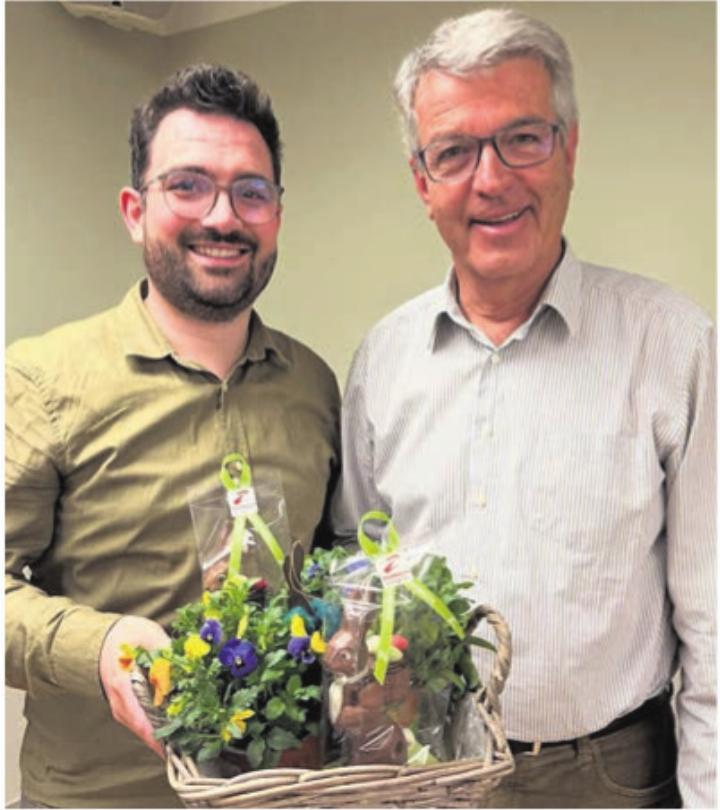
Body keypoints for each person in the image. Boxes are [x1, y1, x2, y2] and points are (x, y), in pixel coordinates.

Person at [333, 9, 715, 808]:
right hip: (428, 773)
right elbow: (362, 586)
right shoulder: (382, 361)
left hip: (610, 777)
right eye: (455, 151)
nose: (492, 179)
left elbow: (713, 622)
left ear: (569, 148)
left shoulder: (674, 344)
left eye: (523, 139)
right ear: (422, 181)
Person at [6, 64, 340, 808]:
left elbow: (329, 572)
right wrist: (98, 647)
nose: (222, 217)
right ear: (134, 209)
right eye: (188, 185)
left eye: (250, 192)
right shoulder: (39, 380)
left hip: (281, 792)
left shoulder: (315, 387)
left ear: (277, 213)